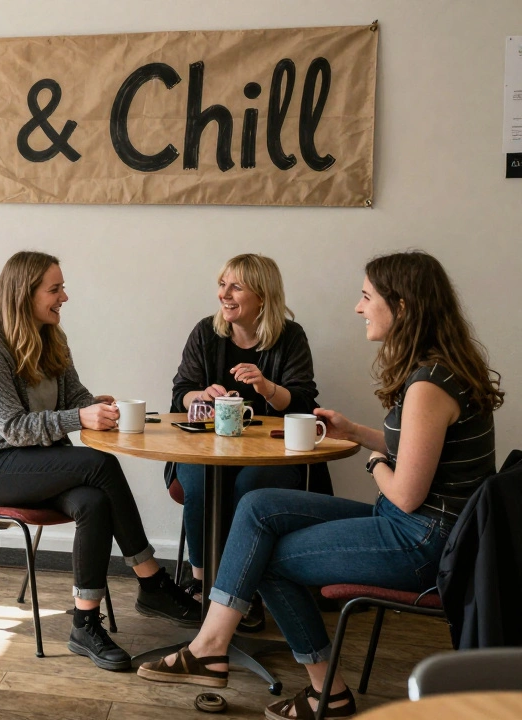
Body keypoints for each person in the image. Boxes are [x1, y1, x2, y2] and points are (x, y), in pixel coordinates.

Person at [138, 251, 503, 720]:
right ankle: (212, 646)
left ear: (404, 307)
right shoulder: (440, 371)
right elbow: (417, 450)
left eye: (367, 296)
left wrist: (373, 461)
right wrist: (356, 432)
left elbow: (408, 493)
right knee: (260, 506)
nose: (358, 307)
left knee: (265, 557)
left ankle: (319, 689)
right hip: (420, 527)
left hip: (421, 540)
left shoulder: (428, 385)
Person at [0, 251, 202, 672]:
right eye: (55, 289)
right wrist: (78, 417)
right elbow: (14, 429)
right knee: (99, 465)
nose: (64, 297)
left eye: (62, 287)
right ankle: (151, 579)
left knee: (92, 501)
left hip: (39, 463)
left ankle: (84, 624)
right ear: (24, 294)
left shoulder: (53, 337)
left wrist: (96, 407)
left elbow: (73, 399)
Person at [169, 253, 326, 630]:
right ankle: (203, 582)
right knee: (198, 479)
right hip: (210, 447)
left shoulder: (291, 336)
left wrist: (266, 387)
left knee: (250, 487)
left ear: (262, 295)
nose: (224, 293)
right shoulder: (206, 332)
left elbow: (304, 401)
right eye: (222, 284)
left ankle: (245, 588)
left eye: (236, 286)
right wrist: (200, 397)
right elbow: (180, 395)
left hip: (270, 455)